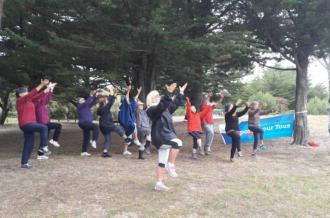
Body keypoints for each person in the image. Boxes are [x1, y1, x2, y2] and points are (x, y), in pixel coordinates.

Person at [147, 82, 187, 191]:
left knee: (161, 162)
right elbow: (161, 106)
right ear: (151, 99)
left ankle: (158, 184)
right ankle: (171, 164)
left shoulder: (165, 109)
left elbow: (174, 104)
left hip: (165, 136)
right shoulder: (151, 109)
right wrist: (168, 93)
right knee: (177, 143)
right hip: (160, 136)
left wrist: (181, 92)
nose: (159, 97)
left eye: (159, 95)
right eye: (156, 96)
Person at [16, 79, 50, 169]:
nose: (27, 92)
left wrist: (48, 88)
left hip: (29, 124)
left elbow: (38, 95)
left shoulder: (30, 100)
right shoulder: (20, 100)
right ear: (20, 94)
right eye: (25, 91)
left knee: (29, 144)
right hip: (26, 124)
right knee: (43, 128)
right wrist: (41, 84)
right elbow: (32, 93)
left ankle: (24, 163)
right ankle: (44, 147)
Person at [97, 86, 132, 158]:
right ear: (104, 102)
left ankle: (105, 152)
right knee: (118, 128)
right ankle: (126, 138)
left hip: (102, 126)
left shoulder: (100, 108)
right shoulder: (105, 107)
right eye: (106, 100)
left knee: (108, 139)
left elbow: (110, 99)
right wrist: (115, 92)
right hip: (107, 124)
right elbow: (111, 100)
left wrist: (113, 93)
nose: (107, 100)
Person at [35, 82, 62, 151]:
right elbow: (44, 97)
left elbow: (47, 98)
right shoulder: (38, 104)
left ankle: (41, 155)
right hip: (43, 124)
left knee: (45, 138)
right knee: (58, 126)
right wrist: (49, 88)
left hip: (46, 122)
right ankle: (54, 140)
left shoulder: (42, 104)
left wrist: (51, 89)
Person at [118, 85, 142, 155]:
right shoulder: (126, 103)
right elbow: (126, 97)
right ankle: (136, 139)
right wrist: (128, 90)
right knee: (133, 125)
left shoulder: (133, 102)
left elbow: (135, 98)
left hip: (130, 119)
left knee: (129, 135)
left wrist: (139, 92)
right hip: (126, 120)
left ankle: (125, 150)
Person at [77, 90, 99, 156]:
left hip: (86, 123)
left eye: (83, 99)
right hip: (83, 123)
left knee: (86, 137)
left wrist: (96, 96)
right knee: (96, 126)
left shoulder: (86, 106)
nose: (83, 100)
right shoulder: (80, 106)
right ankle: (94, 140)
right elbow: (87, 102)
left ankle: (84, 152)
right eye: (82, 99)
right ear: (79, 101)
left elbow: (92, 103)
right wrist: (91, 95)